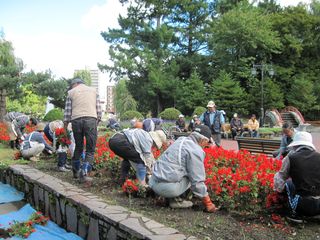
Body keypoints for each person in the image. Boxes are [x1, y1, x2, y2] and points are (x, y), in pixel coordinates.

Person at [149, 125, 218, 212]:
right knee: (192, 176)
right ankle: (176, 201)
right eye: (207, 143)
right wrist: (208, 203)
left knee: (179, 170)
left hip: (153, 182)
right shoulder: (195, 150)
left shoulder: (180, 140)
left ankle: (162, 197)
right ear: (203, 140)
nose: (206, 145)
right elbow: (197, 181)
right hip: (166, 188)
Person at [274, 131, 320, 222]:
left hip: (301, 205)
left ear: (295, 145)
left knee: (288, 183)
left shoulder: (291, 158)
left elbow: (280, 179)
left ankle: (294, 213)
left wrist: (278, 192)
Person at [64, 77, 102, 184]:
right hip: (90, 120)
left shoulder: (71, 92)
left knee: (79, 147)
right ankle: (84, 173)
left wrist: (65, 127)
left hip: (76, 121)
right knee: (90, 149)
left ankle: (76, 171)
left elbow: (67, 113)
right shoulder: (94, 91)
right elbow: (99, 111)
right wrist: (96, 122)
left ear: (75, 84)